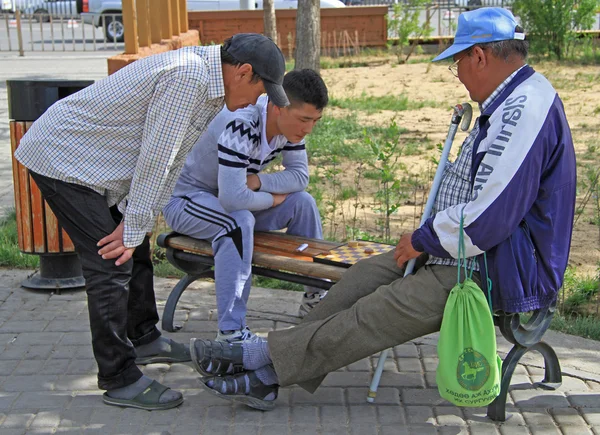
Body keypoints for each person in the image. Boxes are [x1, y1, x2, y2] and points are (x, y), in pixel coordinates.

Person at [188, 7, 577, 410]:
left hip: (495, 269)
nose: (458, 74)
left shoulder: (524, 109)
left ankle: (260, 363)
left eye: (458, 62)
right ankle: (268, 372)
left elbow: (489, 217)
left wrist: (426, 239)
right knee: (357, 282)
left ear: (479, 56)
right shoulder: (509, 100)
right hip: (458, 250)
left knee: (375, 313)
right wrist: (427, 240)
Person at [14, 33, 288, 411]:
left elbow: (171, 161)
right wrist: (132, 225)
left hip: (97, 164)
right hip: (64, 158)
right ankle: (118, 377)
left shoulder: (209, 85)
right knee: (110, 263)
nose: (260, 100)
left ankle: (142, 337)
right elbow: (155, 159)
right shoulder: (188, 78)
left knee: (134, 241)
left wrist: (136, 222)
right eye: (262, 89)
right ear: (242, 72)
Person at [163, 69, 329, 343]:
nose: (308, 129)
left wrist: (258, 182)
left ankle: (316, 298)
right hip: (187, 202)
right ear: (277, 107)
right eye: (303, 119)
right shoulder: (242, 124)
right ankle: (231, 332)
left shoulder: (291, 130)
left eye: (315, 121)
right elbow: (232, 201)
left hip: (232, 198)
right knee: (238, 222)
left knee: (303, 203)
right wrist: (270, 198)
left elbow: (299, 178)